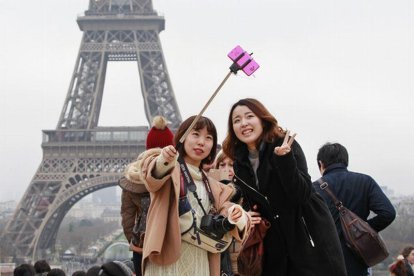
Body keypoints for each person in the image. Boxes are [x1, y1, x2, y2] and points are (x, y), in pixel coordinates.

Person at [222, 98, 347, 276]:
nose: (244, 123)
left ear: (262, 119)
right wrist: (247, 214)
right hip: (274, 245)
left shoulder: (285, 144)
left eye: (249, 116)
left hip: (307, 236)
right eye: (237, 120)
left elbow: (302, 194)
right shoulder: (239, 164)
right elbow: (255, 201)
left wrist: (284, 160)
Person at [137, 115, 250, 276]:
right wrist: (164, 160)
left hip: (200, 264)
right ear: (182, 137)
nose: (201, 142)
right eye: (195, 134)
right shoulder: (170, 172)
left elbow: (230, 211)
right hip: (166, 265)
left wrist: (237, 216)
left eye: (208, 138)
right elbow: (153, 174)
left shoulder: (214, 186)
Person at [314, 142, 396, 276]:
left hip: (327, 260)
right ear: (346, 161)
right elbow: (388, 213)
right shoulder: (365, 181)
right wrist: (363, 229)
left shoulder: (315, 189)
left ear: (321, 163)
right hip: (358, 258)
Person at [120, 115, 174, 275]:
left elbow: (127, 218)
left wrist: (135, 241)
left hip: (142, 244)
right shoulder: (177, 175)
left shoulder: (133, 178)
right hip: (171, 244)